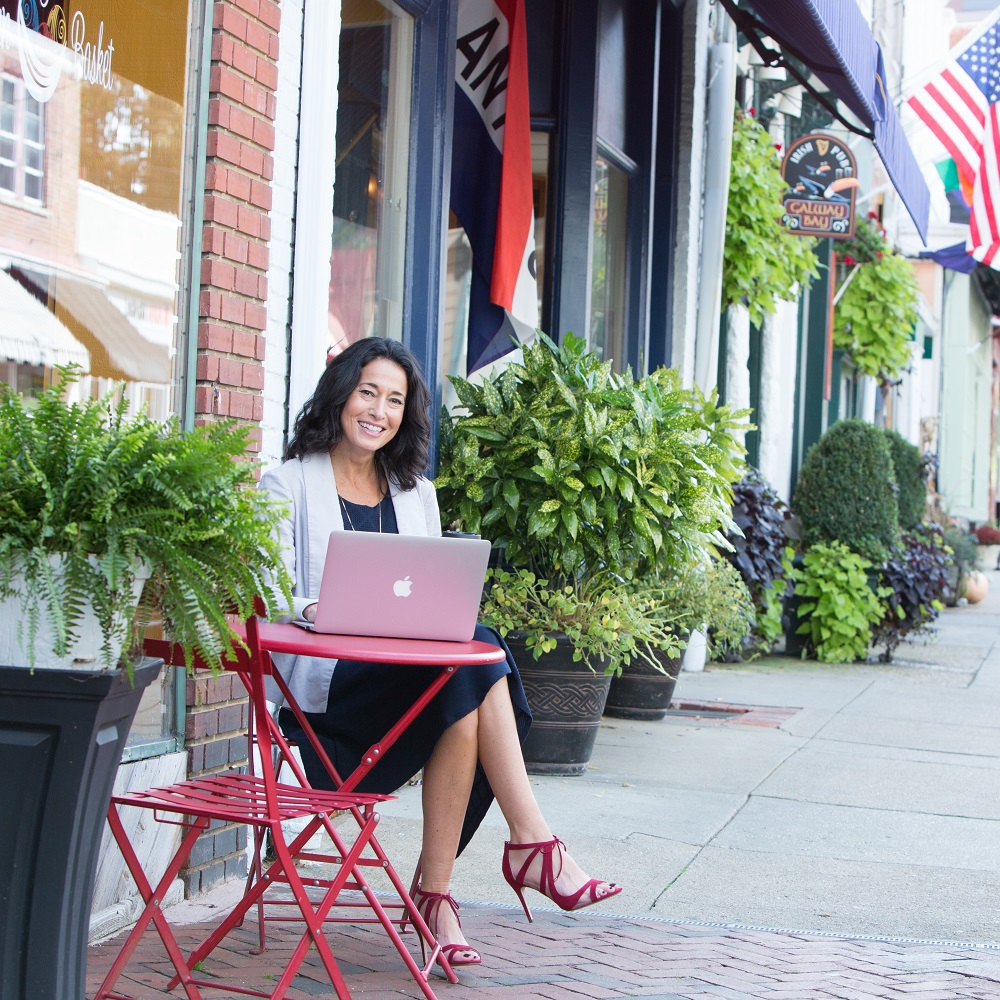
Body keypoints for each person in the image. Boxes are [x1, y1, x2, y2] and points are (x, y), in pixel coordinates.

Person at [259, 337, 621, 968]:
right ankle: (515, 856)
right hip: (323, 707)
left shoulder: (413, 493)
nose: (378, 410)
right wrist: (315, 610)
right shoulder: (287, 483)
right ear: (341, 395)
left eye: (394, 399)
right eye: (368, 391)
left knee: (465, 674)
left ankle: (447, 892)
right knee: (475, 661)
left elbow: (427, 597)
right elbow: (265, 590)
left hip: (403, 688)